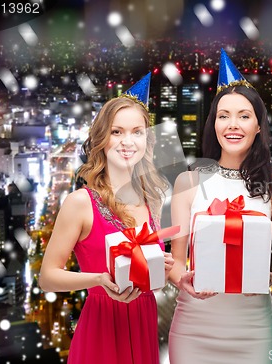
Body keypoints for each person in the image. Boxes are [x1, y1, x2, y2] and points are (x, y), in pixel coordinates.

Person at [39, 73, 174, 364]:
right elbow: (47, 277)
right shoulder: (80, 203)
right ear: (102, 138)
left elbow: (152, 281)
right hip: (101, 327)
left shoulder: (154, 199)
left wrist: (160, 268)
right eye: (117, 132)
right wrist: (100, 280)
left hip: (144, 323)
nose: (128, 141)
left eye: (137, 132)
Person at [168, 49, 272, 364]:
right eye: (224, 115)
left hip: (253, 327)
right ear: (214, 123)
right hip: (194, 325)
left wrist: (269, 279)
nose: (232, 125)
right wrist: (182, 279)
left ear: (259, 126)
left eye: (244, 115)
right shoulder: (188, 182)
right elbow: (177, 262)